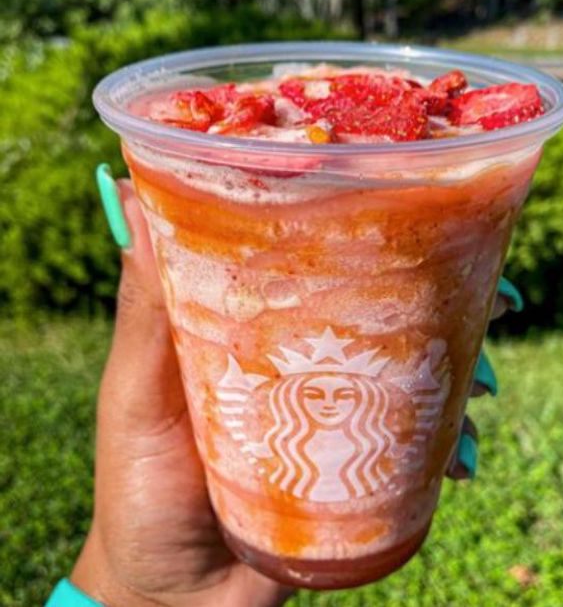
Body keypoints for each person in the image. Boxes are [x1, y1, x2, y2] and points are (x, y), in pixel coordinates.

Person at [51, 178, 514, 607]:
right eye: (315, 396)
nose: (331, 404)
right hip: (227, 536)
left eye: (346, 396)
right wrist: (133, 591)